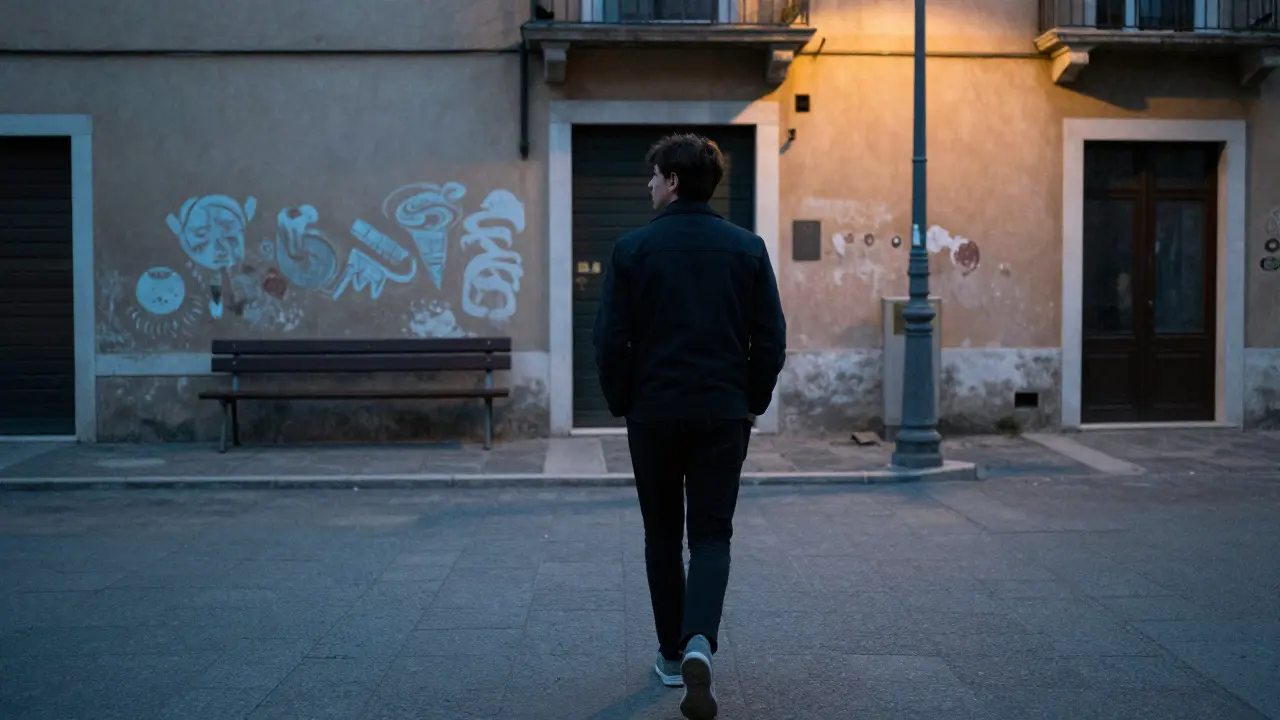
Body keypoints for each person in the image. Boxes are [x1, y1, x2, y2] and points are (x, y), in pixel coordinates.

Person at [592, 132, 787, 719]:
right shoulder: (747, 249)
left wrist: (623, 402)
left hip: (653, 415)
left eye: (654, 176)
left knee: (661, 536)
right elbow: (771, 339)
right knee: (710, 536)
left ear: (673, 181)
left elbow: (609, 340)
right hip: (722, 414)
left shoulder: (632, 249)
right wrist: (750, 401)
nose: (648, 185)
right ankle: (700, 639)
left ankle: (673, 657)